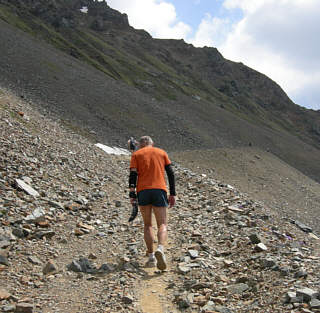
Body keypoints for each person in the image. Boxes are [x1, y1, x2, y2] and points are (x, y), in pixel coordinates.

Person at [128, 136, 176, 270]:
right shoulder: (161, 152)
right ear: (151, 143)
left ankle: (151, 257)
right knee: (162, 223)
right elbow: (171, 174)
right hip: (159, 189)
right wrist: (172, 193)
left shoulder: (136, 154)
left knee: (148, 224)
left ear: (141, 144)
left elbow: (133, 175)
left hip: (143, 191)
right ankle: (160, 247)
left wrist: (132, 193)